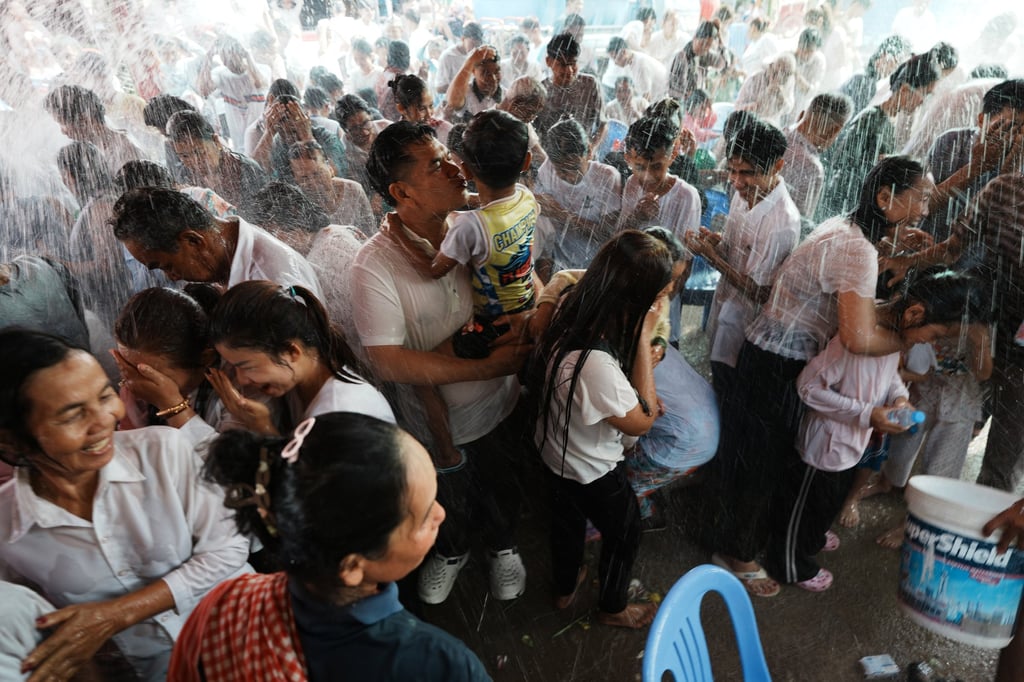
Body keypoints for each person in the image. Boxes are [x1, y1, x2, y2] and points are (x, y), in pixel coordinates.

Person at [703, 157, 932, 597]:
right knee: (762, 464)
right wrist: (911, 338)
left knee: (774, 458)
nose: (924, 209)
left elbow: (860, 314)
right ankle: (735, 554)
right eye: (919, 198)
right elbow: (858, 335)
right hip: (776, 360)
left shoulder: (850, 231)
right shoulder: (858, 249)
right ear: (885, 198)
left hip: (773, 352)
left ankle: (763, 539)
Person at [0, 329, 250, 680]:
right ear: (10, 438)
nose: (105, 420)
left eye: (105, 396)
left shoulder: (163, 452)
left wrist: (115, 615)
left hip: (249, 643)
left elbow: (228, 550)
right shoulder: (8, 529)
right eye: (72, 415)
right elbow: (28, 624)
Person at [169, 412, 490, 681]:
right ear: (351, 567)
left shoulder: (224, 605)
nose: (441, 514)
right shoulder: (440, 665)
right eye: (422, 519)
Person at [353, 122, 530, 605]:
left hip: (502, 402)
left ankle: (502, 545)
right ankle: (452, 552)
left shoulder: (473, 223)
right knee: (448, 499)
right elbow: (388, 362)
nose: (456, 168)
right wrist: (483, 368)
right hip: (438, 421)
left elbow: (523, 276)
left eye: (449, 156)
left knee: (503, 484)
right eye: (436, 165)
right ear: (401, 190)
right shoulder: (374, 266)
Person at [768, 272, 988, 590]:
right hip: (824, 444)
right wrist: (867, 413)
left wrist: (898, 396)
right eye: (935, 333)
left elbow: (889, 375)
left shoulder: (892, 335)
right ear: (914, 313)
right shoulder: (858, 338)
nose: (932, 342)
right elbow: (808, 387)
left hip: (850, 444)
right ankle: (789, 564)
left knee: (829, 499)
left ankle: (812, 535)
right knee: (804, 504)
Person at [529, 230, 671, 628]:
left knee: (565, 523)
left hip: (553, 451)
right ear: (637, 300)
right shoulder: (594, 364)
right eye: (658, 296)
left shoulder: (575, 307)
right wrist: (644, 336)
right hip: (592, 469)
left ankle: (564, 586)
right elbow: (641, 422)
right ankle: (612, 607)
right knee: (625, 532)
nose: (662, 304)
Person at [686, 120, 800, 405]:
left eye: (747, 174)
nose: (737, 182)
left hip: (747, 327)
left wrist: (713, 258)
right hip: (724, 306)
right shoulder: (743, 194)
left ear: (777, 166)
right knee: (714, 378)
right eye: (732, 171)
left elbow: (761, 293)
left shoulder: (782, 222)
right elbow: (736, 246)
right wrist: (717, 241)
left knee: (731, 392)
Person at [205, 280, 394, 434]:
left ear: (292, 352)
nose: (241, 380)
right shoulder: (299, 389)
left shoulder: (340, 412)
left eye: (247, 366)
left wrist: (263, 429)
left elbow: (311, 479)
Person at [110, 186, 322, 297]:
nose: (172, 277)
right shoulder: (234, 255)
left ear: (193, 241)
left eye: (167, 266)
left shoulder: (272, 282)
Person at [111, 286, 254, 448]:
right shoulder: (131, 387)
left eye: (151, 375)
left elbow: (229, 467)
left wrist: (172, 406)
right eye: (127, 367)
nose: (138, 383)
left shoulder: (242, 385)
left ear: (206, 358)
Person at [818, 54, 939, 220]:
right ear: (904, 89)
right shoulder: (871, 119)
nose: (922, 102)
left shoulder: (888, 123)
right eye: (924, 94)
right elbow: (844, 164)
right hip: (842, 206)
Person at [616, 116, 701, 289]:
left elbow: (684, 262)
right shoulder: (632, 184)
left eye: (656, 167)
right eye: (639, 167)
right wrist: (636, 217)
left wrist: (664, 300)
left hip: (663, 287)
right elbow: (619, 238)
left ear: (673, 156)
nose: (648, 176)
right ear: (628, 159)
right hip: (628, 283)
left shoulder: (686, 196)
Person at [534, 117, 622, 273]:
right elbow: (541, 221)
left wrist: (563, 214)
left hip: (594, 265)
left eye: (574, 168)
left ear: (588, 151)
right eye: (561, 171)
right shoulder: (547, 169)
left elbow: (607, 233)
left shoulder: (607, 177)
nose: (568, 176)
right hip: (558, 263)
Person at [167, 110, 269, 210]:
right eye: (184, 156)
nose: (194, 162)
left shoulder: (246, 171)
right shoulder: (185, 176)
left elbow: (261, 218)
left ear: (216, 141)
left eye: (199, 152)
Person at [783, 93, 853, 223]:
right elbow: (801, 223)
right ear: (835, 131)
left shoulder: (778, 135)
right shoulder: (812, 169)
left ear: (802, 114)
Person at [44, 84, 144, 174]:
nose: (63, 132)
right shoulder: (99, 147)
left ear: (84, 120)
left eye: (62, 124)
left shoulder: (124, 151)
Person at [195, 36, 270, 150]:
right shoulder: (221, 74)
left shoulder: (262, 69)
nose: (226, 60)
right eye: (222, 56)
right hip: (239, 144)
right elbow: (203, 90)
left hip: (262, 139)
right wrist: (208, 58)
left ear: (239, 53)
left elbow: (259, 83)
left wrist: (248, 56)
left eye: (229, 54)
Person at [288, 140, 376, 234]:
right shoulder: (295, 203)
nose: (313, 183)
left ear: (330, 167)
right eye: (304, 178)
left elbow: (370, 233)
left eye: (317, 173)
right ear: (295, 179)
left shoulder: (353, 190)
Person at [535, 33, 605, 148]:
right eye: (562, 65)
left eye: (573, 63)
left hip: (582, 151)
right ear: (548, 61)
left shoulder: (590, 84)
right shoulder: (541, 90)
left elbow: (603, 123)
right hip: (551, 155)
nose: (569, 70)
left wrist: (592, 147)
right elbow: (534, 130)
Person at [667, 20, 729, 101]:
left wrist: (719, 38)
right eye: (702, 43)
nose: (705, 48)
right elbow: (671, 90)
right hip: (680, 104)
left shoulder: (705, 55)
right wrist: (688, 95)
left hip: (695, 105)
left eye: (708, 45)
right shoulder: (681, 57)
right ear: (695, 37)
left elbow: (723, 63)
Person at [444, 45, 502, 123]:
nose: (493, 79)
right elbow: (452, 102)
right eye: (486, 73)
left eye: (497, 72)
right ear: (473, 71)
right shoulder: (465, 93)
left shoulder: (507, 95)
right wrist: (471, 61)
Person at [390, 73, 453, 142]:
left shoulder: (444, 130)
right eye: (422, 109)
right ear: (401, 108)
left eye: (431, 106)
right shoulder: (394, 139)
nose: (429, 115)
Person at [435, 21, 484, 95]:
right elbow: (439, 88)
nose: (474, 49)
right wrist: (462, 87)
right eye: (472, 44)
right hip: (454, 100)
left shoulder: (478, 54)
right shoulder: (448, 56)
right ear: (463, 39)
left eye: (477, 46)